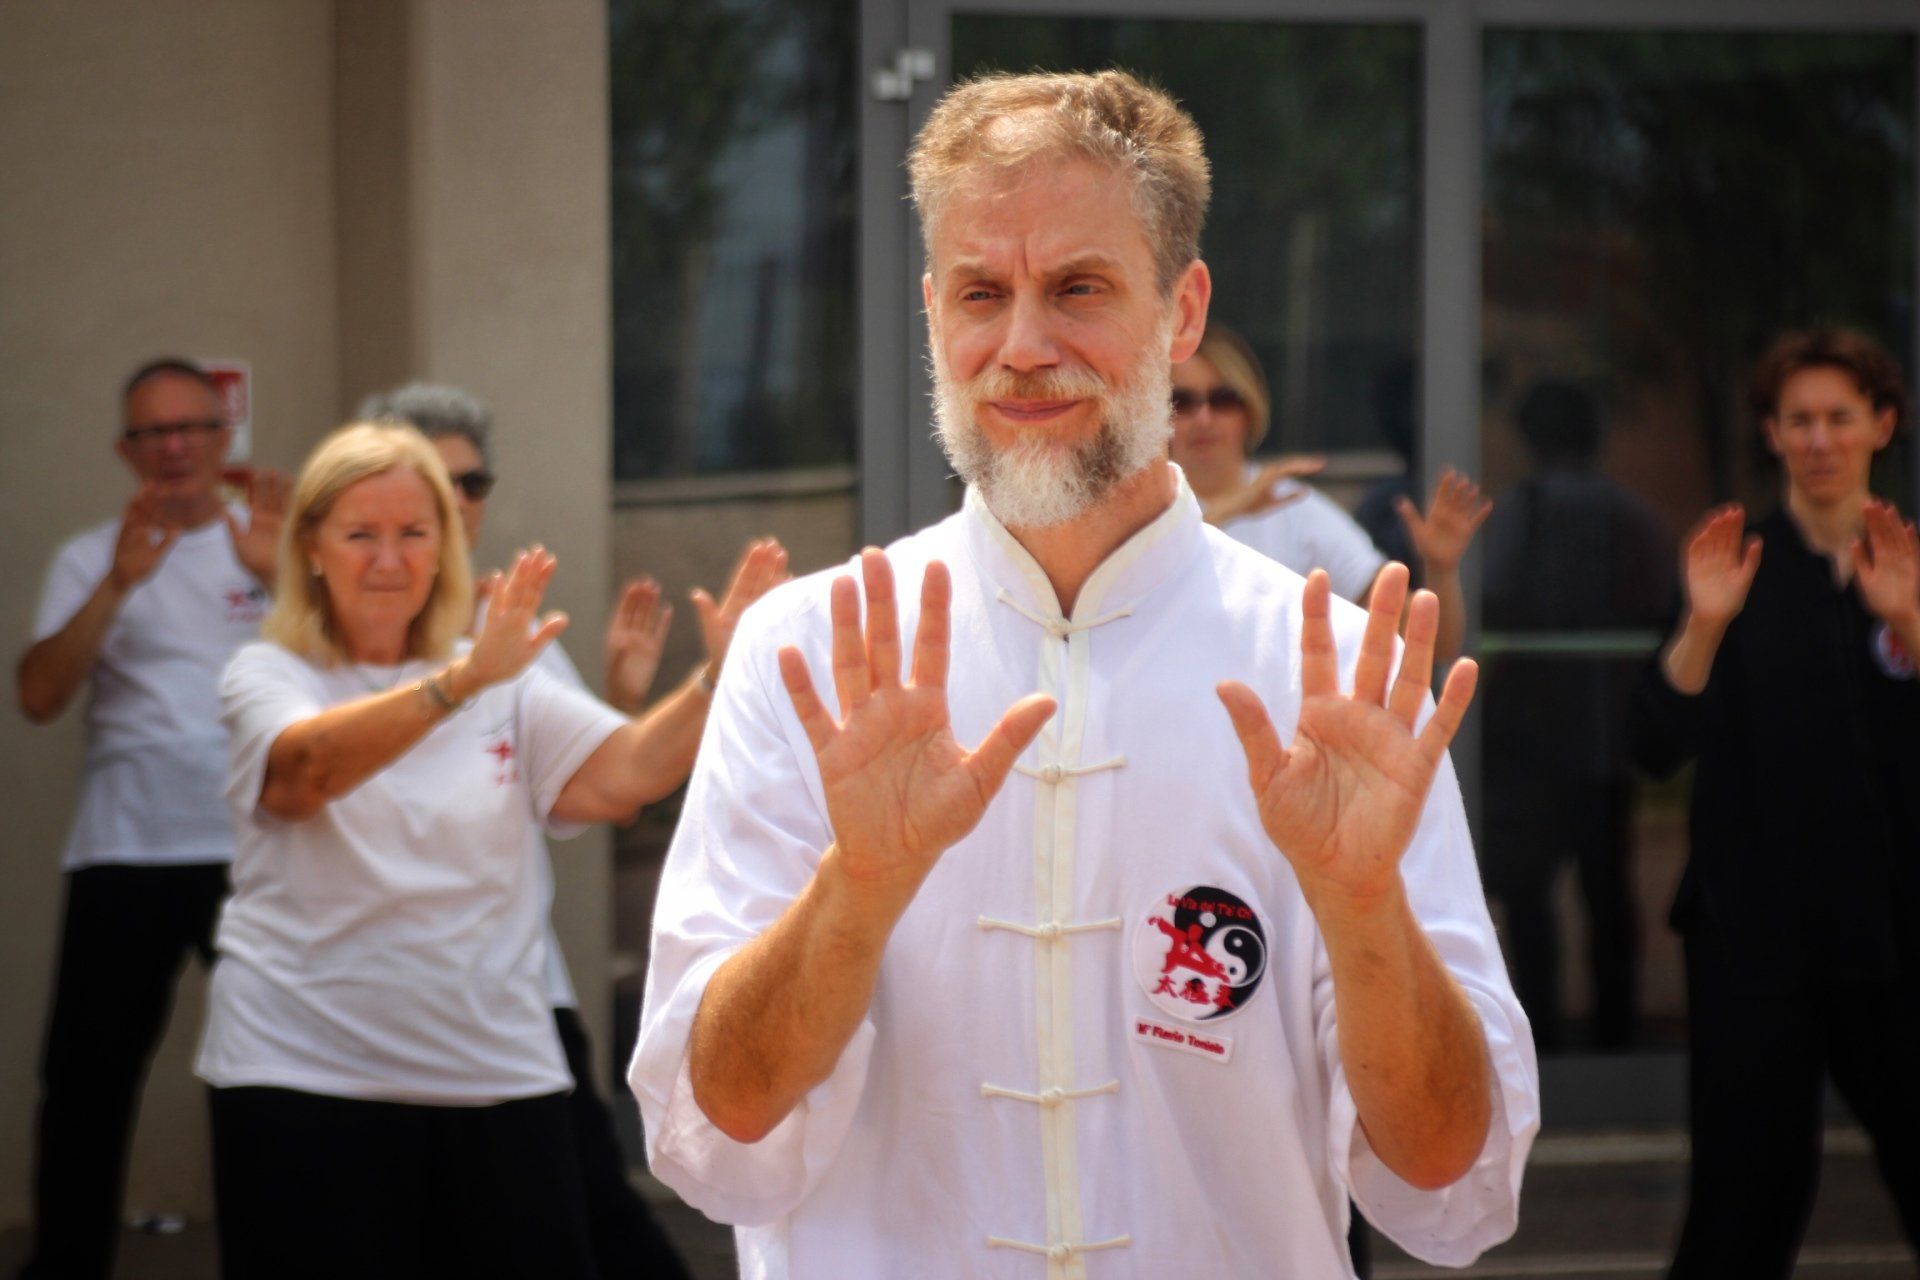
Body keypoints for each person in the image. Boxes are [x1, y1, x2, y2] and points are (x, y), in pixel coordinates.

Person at [633, 70, 1537, 1278]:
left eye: (1078, 288)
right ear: (932, 312)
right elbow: (718, 1126)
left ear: (1183, 308)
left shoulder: (1325, 677)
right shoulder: (806, 654)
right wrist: (858, 887)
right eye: (980, 292)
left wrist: (1364, 908)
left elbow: (1445, 1173)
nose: (1023, 347)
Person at [200, 422, 785, 1278]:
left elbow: (623, 776)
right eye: (360, 534)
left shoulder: (499, 674)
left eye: (414, 533)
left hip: (497, 1074)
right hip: (302, 1072)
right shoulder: (269, 672)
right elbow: (304, 771)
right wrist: (459, 683)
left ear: (443, 547)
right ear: (311, 549)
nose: (389, 559)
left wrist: (719, 678)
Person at [357, 380, 710, 1280]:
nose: (459, 502)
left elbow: (601, 788)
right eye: (435, 482)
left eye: (472, 483)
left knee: (578, 1217)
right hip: (369, 1016)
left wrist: (626, 697)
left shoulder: (510, 626)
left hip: (515, 999)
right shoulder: (331, 642)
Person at [1629, 328, 1920, 1278]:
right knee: (1744, 1205)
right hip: (1756, 942)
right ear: (1772, 432)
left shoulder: (1908, 561)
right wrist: (1703, 626)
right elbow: (1652, 745)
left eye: (1840, 416)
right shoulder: (1733, 566)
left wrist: (1909, 621)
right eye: (1799, 420)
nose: (1820, 439)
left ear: (1882, 423)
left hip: (1898, 939)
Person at [13, 358, 285, 1280]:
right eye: (152, 432)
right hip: (124, 847)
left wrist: (282, 578)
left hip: (255, 850)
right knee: (84, 1082)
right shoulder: (91, 555)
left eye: (190, 428)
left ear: (222, 437)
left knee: (267, 1078)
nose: (173, 447)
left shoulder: (269, 545)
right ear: (126, 451)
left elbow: (353, 676)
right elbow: (39, 695)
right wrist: (118, 585)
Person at [1481, 381, 1671, 1051]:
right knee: (1607, 894)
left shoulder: (1523, 509)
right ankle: (1616, 1038)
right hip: (1606, 737)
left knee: (1530, 897)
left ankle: (1542, 1043)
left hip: (1535, 740)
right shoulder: (1631, 512)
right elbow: (1661, 601)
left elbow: (1492, 593)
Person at [1170, 323, 1490, 669]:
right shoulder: (1138, 502)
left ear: (1249, 408)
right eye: (1182, 402)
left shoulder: (1296, 509)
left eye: (1222, 400)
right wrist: (1229, 510)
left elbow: (1433, 643)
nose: (1204, 418)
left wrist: (1441, 569)